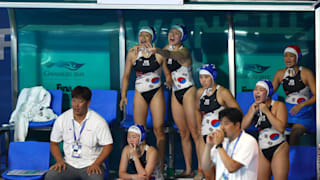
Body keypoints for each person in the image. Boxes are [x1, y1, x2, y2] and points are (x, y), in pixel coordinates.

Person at [148, 24, 203, 178]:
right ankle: (188, 169)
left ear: (182, 37)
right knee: (183, 133)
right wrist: (168, 78)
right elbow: (165, 63)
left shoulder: (185, 51)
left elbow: (172, 56)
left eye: (176, 33)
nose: (172, 35)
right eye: (170, 32)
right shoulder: (167, 47)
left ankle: (201, 170)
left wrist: (158, 50)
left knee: (195, 133)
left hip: (188, 91)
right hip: (176, 92)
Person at [120, 26, 170, 171]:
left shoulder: (159, 54)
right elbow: (126, 76)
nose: (142, 38)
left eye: (146, 35)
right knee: (138, 132)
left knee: (159, 129)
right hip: (140, 93)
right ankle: (140, 167)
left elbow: (167, 73)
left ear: (152, 38)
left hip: (156, 92)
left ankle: (159, 167)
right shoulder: (133, 53)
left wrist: (169, 80)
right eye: (140, 35)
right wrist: (123, 95)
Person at [45, 86, 113, 180]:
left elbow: (108, 145)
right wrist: (60, 161)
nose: (76, 105)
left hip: (90, 164)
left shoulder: (98, 121)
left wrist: (97, 164)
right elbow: (54, 143)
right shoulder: (62, 119)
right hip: (68, 164)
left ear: (88, 103)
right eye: (74, 101)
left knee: (95, 178)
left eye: (80, 101)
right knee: (51, 176)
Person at [195, 64, 241, 180]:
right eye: (201, 77)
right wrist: (199, 125)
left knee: (219, 171)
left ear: (213, 76)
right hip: (205, 135)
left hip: (219, 135)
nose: (203, 80)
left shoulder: (223, 92)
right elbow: (196, 109)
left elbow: (237, 113)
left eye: (206, 77)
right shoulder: (200, 93)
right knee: (207, 172)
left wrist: (229, 131)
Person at [242, 80, 289, 180]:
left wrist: (267, 112)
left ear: (268, 93)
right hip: (262, 148)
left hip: (278, 147)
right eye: (255, 89)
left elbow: (281, 128)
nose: (257, 92)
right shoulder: (254, 107)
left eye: (261, 90)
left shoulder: (278, 105)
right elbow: (243, 126)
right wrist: (251, 112)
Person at [272, 45, 316, 145]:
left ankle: (292, 159)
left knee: (294, 133)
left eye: (291, 56)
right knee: (274, 129)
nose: (287, 59)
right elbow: (269, 92)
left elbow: (317, 96)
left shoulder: (306, 73)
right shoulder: (280, 74)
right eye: (285, 56)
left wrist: (301, 105)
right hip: (288, 113)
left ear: (297, 57)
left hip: (304, 114)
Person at [201, 107, 259, 180]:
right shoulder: (222, 141)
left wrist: (219, 146)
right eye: (221, 123)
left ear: (237, 125)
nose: (222, 127)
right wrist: (208, 145)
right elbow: (205, 166)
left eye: (226, 123)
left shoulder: (249, 141)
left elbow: (232, 168)